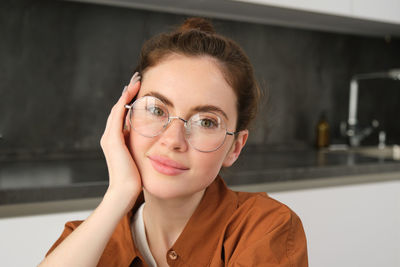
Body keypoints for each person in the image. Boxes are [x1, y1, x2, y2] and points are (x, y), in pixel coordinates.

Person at [40, 17, 308, 267]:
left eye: (206, 122)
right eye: (157, 110)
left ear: (235, 147)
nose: (172, 140)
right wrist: (118, 194)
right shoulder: (85, 240)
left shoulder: (266, 228)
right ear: (124, 119)